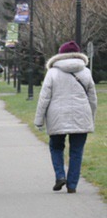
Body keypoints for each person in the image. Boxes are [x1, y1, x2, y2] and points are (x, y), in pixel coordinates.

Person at [34, 40, 97, 193]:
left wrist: (39, 120)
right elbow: (92, 98)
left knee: (56, 147)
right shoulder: (86, 72)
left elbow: (44, 98)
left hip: (57, 115)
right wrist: (91, 117)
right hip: (81, 114)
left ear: (60, 55)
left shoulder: (52, 72)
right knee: (76, 151)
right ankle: (72, 185)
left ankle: (60, 175)